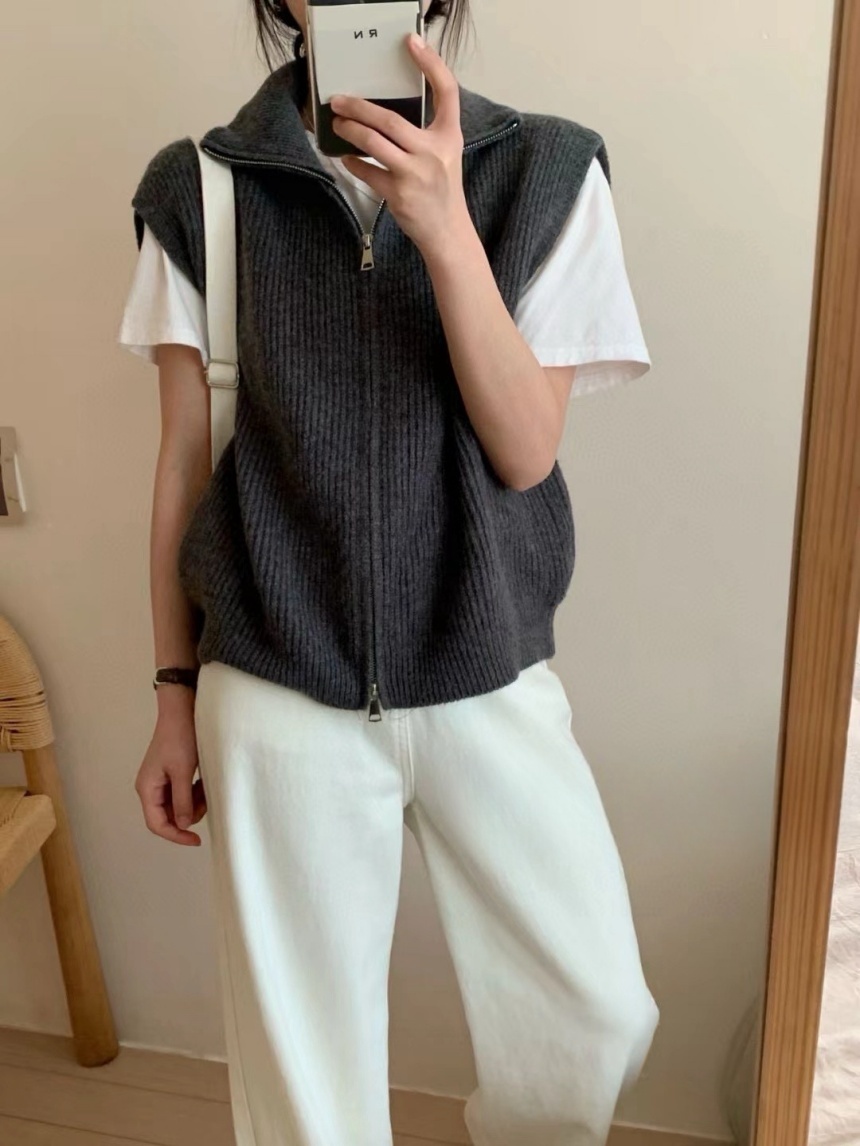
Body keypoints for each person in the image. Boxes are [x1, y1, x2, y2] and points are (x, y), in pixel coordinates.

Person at [118, 1, 660, 1143]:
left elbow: (525, 450)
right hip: (276, 680)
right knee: (305, 1095)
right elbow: (181, 464)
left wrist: (445, 226)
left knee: (596, 1014)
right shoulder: (199, 189)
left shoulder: (548, 171)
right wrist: (171, 694)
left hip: (484, 665)